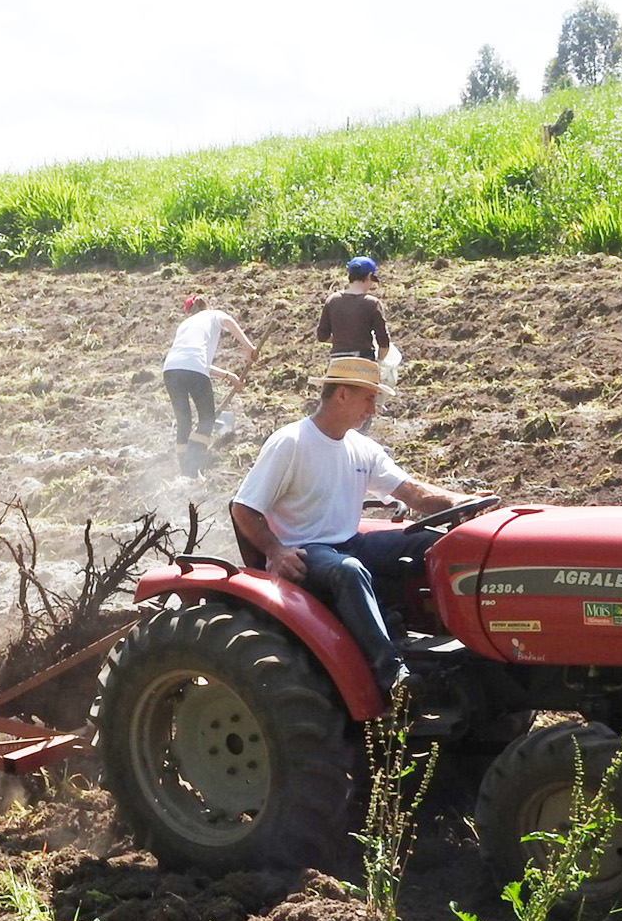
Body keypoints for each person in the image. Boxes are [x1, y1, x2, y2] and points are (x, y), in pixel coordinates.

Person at [229, 355, 469, 696]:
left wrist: (460, 501)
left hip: (350, 541)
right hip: (307, 549)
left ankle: (458, 640)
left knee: (433, 543)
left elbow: (412, 492)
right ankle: (393, 676)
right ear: (342, 394)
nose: (373, 409)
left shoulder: (362, 448)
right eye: (369, 398)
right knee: (348, 570)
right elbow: (244, 507)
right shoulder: (291, 443)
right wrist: (275, 550)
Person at [162, 295, 257, 479]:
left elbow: (196, 362)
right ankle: (192, 466)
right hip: (194, 368)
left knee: (184, 421)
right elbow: (228, 321)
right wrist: (249, 347)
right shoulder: (213, 314)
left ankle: (185, 474)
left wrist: (230, 377)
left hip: (170, 369)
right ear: (206, 305)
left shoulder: (185, 325)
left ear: (188, 312)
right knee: (207, 418)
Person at [318, 257, 391, 361]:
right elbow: (384, 343)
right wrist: (379, 362)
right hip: (363, 361)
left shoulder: (332, 300)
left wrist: (341, 341)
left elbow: (322, 336)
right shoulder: (372, 303)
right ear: (369, 276)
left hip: (337, 362)